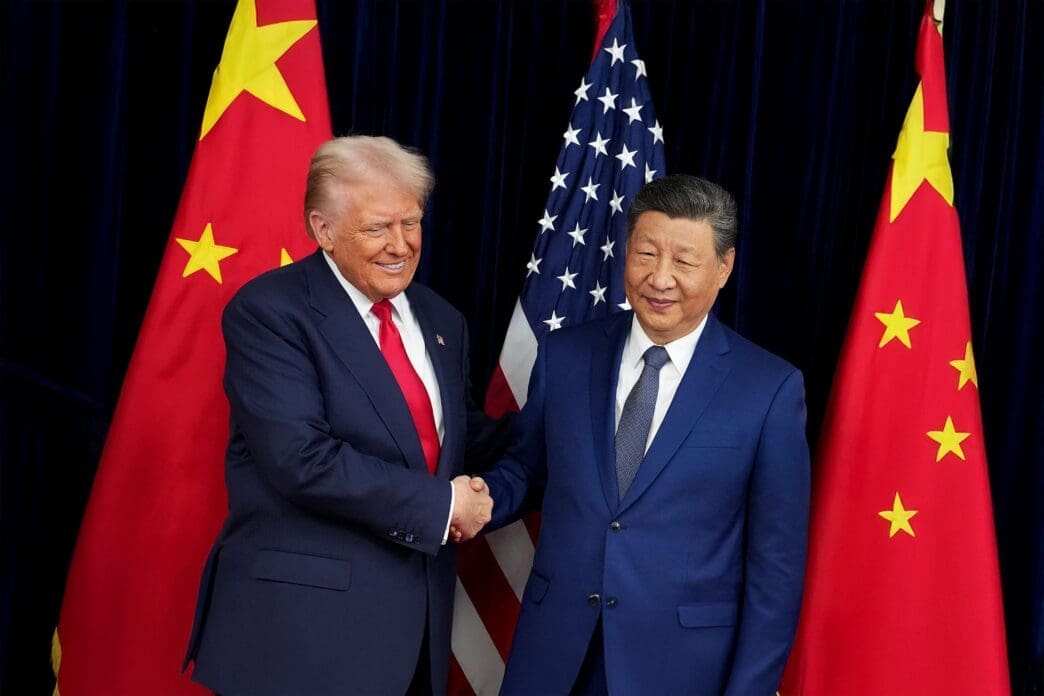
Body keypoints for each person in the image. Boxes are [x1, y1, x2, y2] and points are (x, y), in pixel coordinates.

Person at [184, 135, 501, 696]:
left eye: (411, 222)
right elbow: (300, 459)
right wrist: (447, 504)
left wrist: (559, 432)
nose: (399, 245)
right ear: (322, 229)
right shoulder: (270, 312)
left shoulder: (440, 319)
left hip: (413, 633)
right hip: (303, 637)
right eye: (377, 228)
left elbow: (452, 438)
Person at [482, 175, 811, 695]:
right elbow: (528, 469)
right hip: (554, 656)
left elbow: (777, 571)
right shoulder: (566, 355)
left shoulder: (768, 389)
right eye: (646, 254)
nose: (660, 278)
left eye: (683, 261)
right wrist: (470, 503)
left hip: (680, 669)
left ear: (723, 267)